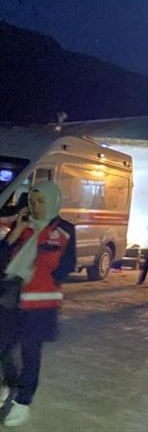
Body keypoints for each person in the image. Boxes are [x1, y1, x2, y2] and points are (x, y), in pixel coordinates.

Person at [0, 181, 76, 428]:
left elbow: (67, 264)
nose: (36, 206)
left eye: (41, 201)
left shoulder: (65, 230)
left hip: (40, 301)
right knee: (3, 348)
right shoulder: (22, 226)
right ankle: (10, 383)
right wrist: (17, 230)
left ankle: (23, 401)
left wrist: (44, 275)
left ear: (53, 201)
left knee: (30, 353)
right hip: (11, 297)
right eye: (32, 201)